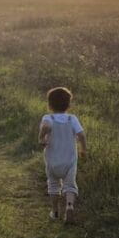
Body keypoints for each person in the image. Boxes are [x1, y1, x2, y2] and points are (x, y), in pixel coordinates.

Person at [38, 87, 88, 223]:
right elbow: (81, 135)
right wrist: (83, 149)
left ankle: (55, 212)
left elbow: (46, 127)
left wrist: (41, 138)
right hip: (69, 161)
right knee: (70, 184)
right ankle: (69, 206)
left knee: (53, 185)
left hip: (53, 160)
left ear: (49, 104)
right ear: (68, 104)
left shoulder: (48, 117)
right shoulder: (72, 119)